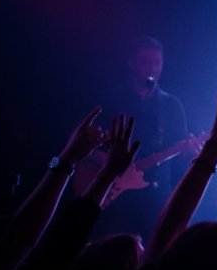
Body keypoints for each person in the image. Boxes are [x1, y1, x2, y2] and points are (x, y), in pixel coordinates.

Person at [82, 36, 200, 240]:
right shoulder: (112, 99)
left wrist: (191, 152)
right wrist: (110, 165)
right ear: (132, 64)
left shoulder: (172, 105)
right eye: (146, 61)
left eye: (157, 62)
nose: (152, 68)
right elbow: (84, 141)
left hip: (155, 197)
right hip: (116, 197)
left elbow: (182, 152)